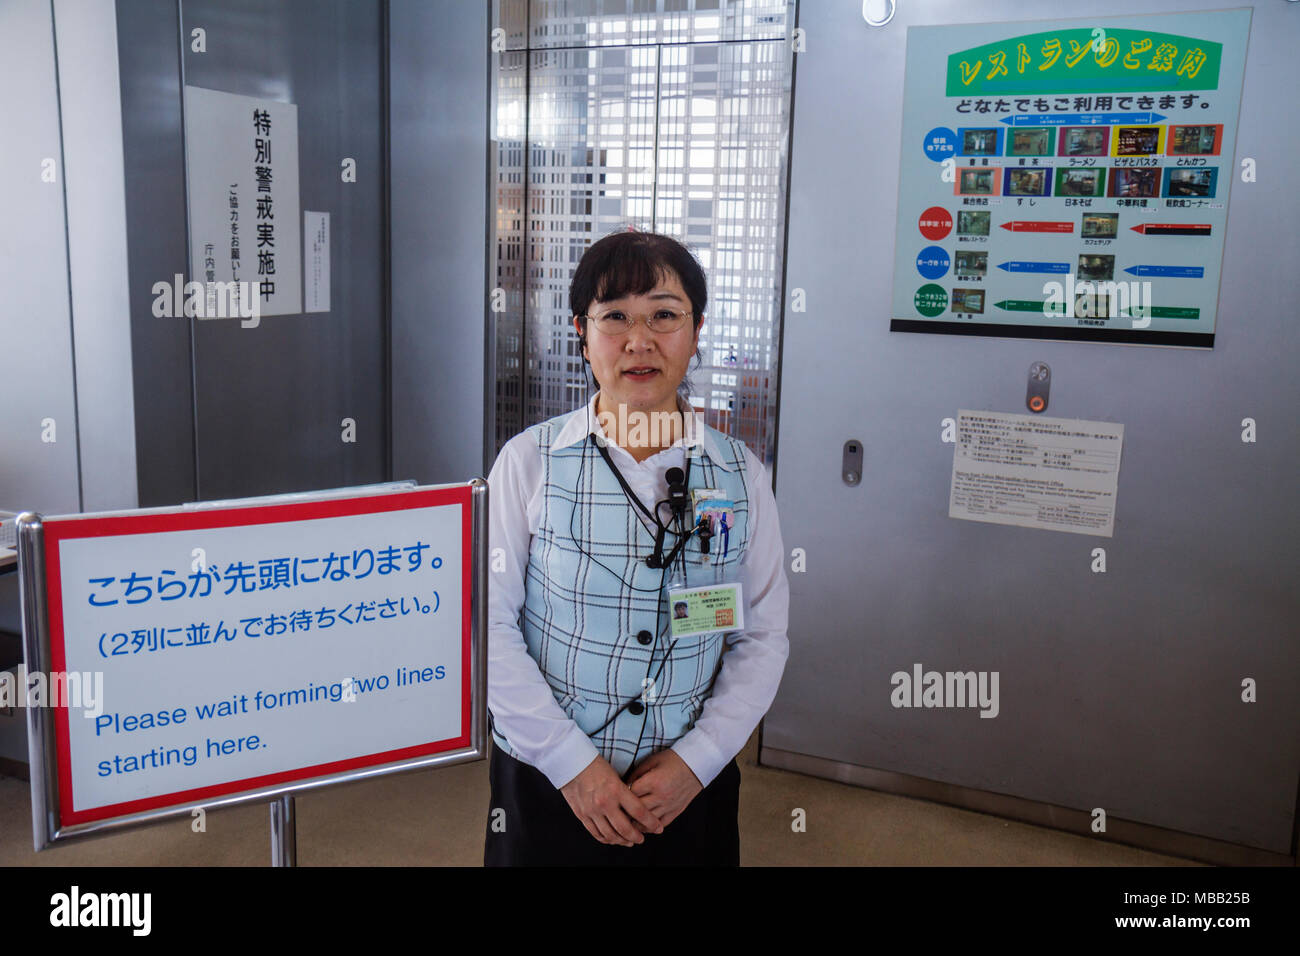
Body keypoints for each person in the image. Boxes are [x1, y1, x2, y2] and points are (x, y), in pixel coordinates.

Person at [483, 229, 790, 866]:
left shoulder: (740, 475)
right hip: (548, 782)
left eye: (664, 315)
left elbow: (760, 634)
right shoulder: (529, 462)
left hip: (683, 789)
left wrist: (697, 760)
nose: (639, 340)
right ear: (582, 332)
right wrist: (573, 766)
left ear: (697, 329)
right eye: (615, 316)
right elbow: (487, 625)